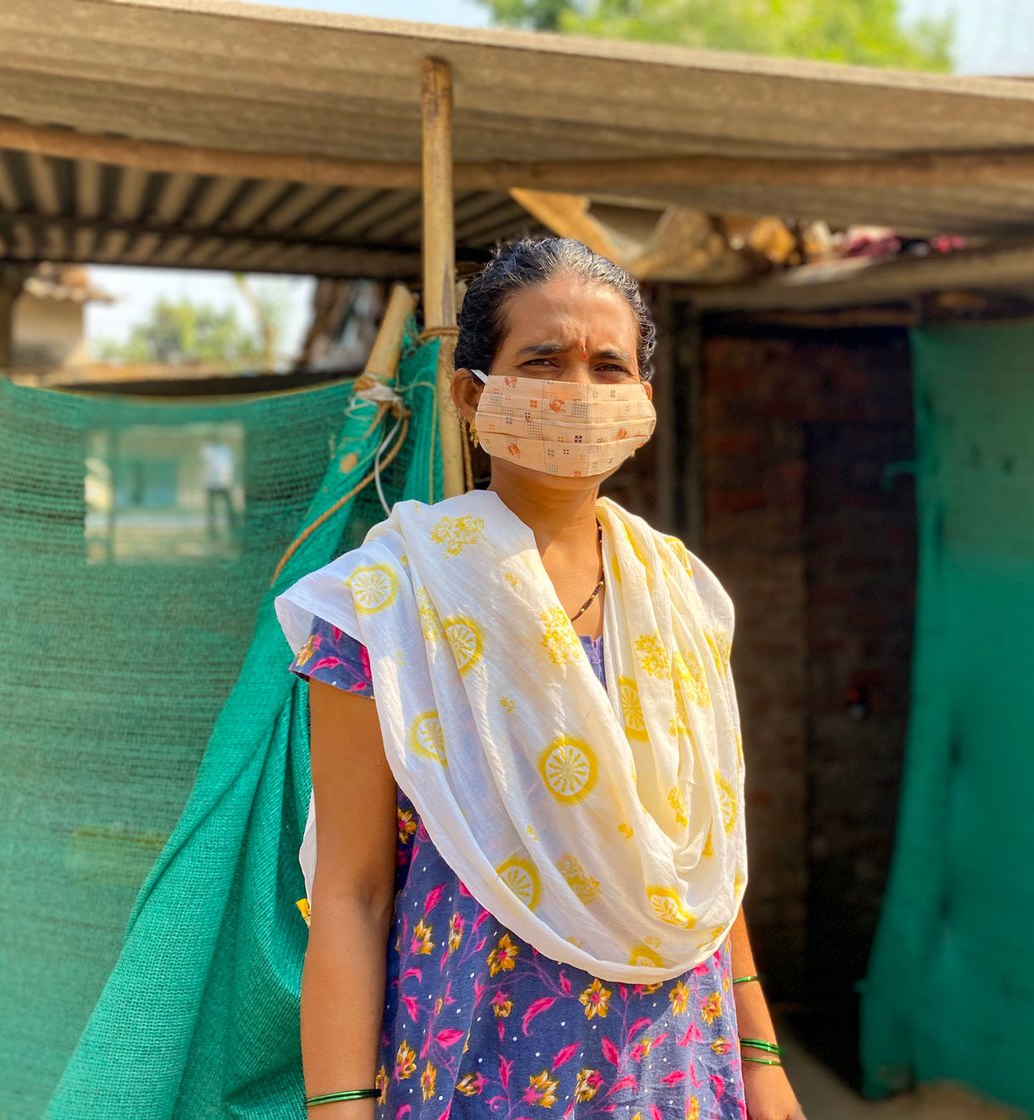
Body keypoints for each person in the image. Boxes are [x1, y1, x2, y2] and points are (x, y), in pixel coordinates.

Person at [275, 238, 805, 1120]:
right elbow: (352, 891)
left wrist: (762, 1057)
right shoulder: (388, 604)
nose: (579, 391)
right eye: (543, 361)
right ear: (470, 392)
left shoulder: (684, 600)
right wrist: (338, 1106)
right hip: (481, 1059)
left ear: (643, 400)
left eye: (609, 366)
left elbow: (704, 856)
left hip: (676, 1063)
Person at [200, 435, 238, 539]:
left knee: (226, 509)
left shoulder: (221, 450)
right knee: (213, 510)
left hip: (221, 483)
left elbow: (228, 466)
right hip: (214, 483)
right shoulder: (209, 450)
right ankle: (213, 532)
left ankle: (232, 530)